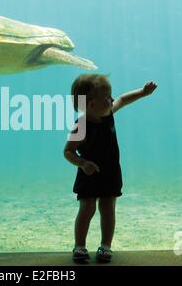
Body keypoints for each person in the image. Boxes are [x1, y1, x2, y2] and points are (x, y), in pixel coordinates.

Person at [63, 74, 157, 262]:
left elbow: (123, 99)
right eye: (107, 97)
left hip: (110, 172)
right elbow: (68, 151)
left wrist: (143, 92)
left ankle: (106, 246)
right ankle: (79, 246)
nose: (112, 100)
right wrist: (82, 163)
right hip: (89, 174)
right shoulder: (80, 127)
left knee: (107, 208)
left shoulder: (107, 113)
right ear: (90, 105)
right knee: (87, 208)